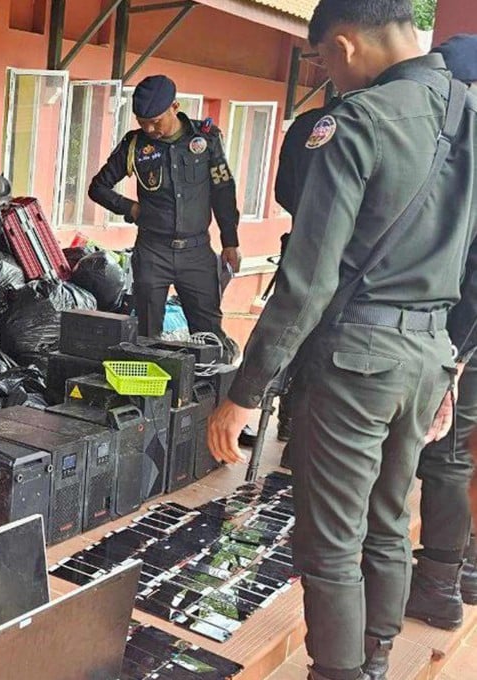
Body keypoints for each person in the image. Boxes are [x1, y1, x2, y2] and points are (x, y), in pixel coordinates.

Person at [207, 3, 477, 680]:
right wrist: (452, 362)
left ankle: (338, 672)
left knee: (330, 540)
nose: (327, 73)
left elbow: (307, 281)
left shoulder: (357, 122)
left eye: (323, 58)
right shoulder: (469, 113)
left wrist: (245, 392)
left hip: (358, 359)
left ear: (347, 45)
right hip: (429, 354)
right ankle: (375, 660)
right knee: (387, 519)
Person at [404, 33, 477, 632]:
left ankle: (438, 587)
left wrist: (453, 355)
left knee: (447, 457)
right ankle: (461, 572)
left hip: (464, 336)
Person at [88, 75, 241, 342]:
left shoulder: (205, 140)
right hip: (152, 252)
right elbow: (98, 187)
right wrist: (131, 209)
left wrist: (230, 242)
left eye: (155, 121)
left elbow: (223, 192)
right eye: (142, 121)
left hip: (197, 253)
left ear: (175, 106)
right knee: (146, 335)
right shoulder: (135, 145)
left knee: (209, 336)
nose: (149, 128)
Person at [238, 99, 340, 452]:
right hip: (351, 265)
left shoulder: (307, 123)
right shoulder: (382, 122)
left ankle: (288, 420)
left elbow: (283, 191)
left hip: (301, 248)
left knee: (295, 335)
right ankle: (301, 430)